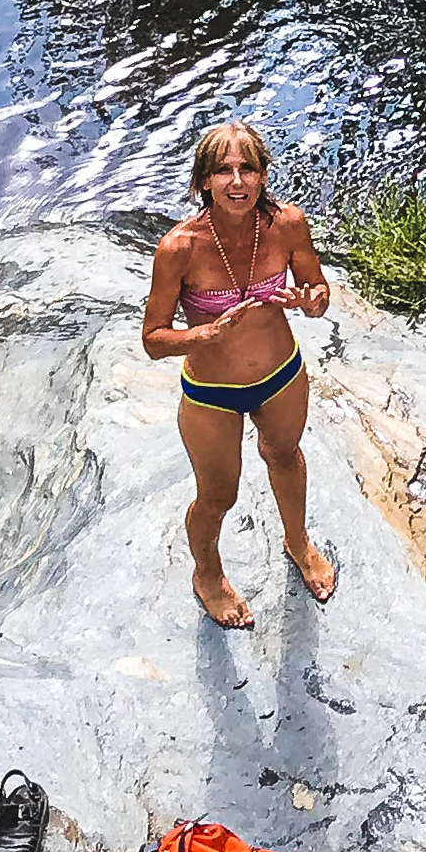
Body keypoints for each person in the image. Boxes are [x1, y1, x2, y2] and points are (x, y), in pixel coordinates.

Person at [140, 120, 337, 630]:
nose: (236, 181)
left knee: (285, 456)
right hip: (211, 392)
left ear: (263, 174)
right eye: (223, 170)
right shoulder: (179, 248)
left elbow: (317, 293)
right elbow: (153, 339)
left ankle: (297, 542)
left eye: (247, 168)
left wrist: (310, 301)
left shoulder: (288, 225)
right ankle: (207, 574)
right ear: (204, 180)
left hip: (281, 374)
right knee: (218, 494)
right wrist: (202, 335)